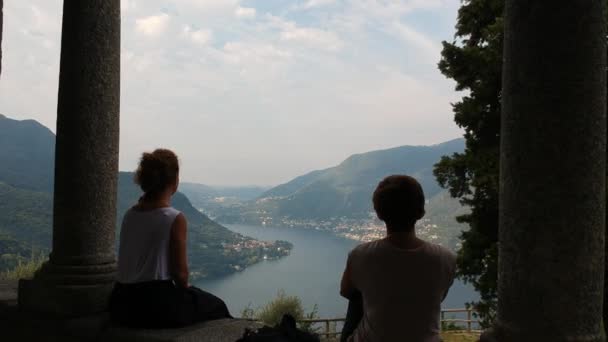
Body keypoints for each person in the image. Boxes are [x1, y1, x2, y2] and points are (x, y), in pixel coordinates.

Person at [109, 149, 231, 328]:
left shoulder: (130, 214)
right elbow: (180, 275)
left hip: (121, 303)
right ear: (174, 181)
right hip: (154, 305)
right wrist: (188, 292)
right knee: (216, 306)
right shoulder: (174, 218)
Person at [339, 175, 456, 342]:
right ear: (421, 211)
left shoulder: (360, 255)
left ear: (379, 213)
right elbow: (440, 296)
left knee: (358, 296)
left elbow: (346, 291)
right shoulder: (446, 258)